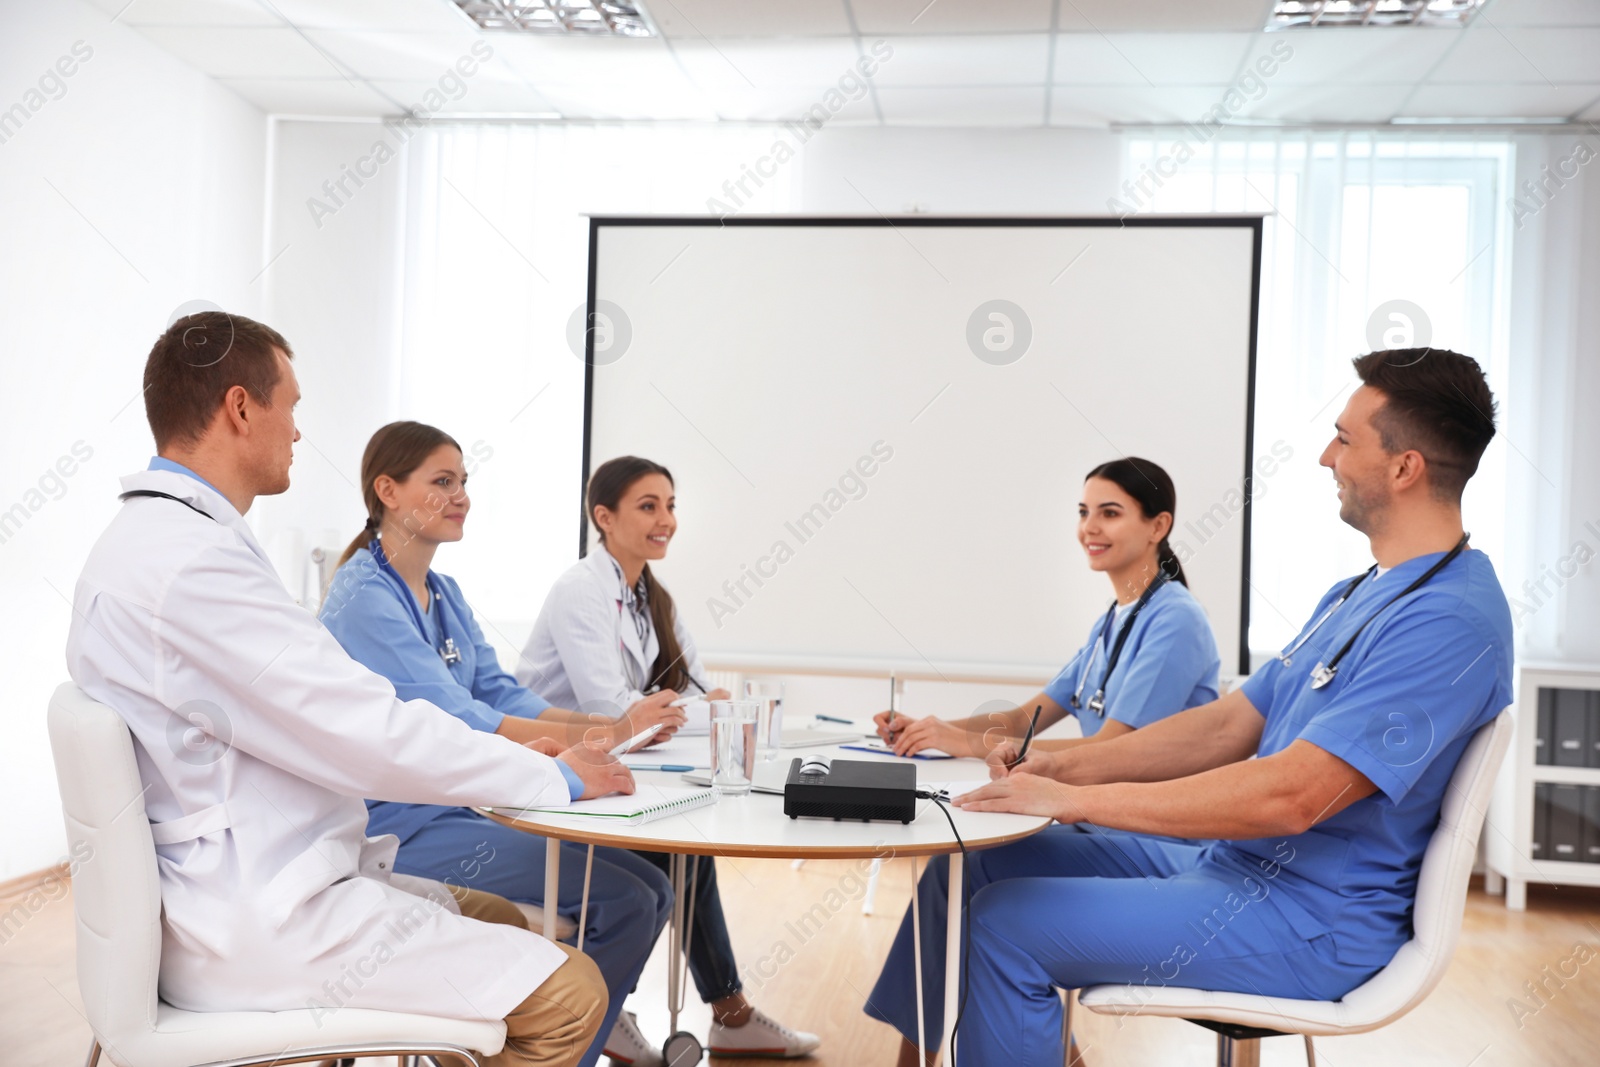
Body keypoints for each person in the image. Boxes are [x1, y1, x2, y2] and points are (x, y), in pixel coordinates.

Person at [65, 312, 615, 1067]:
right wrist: (551, 775)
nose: (297, 431)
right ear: (240, 407)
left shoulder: (150, 541)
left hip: (239, 883)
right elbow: (365, 729)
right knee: (574, 995)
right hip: (262, 915)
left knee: (504, 922)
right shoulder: (194, 564)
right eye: (291, 406)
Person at [946, 349, 1512, 1067]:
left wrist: (1074, 799)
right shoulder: (1355, 592)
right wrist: (1055, 767)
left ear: (1405, 468)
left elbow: (1294, 794)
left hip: (1310, 920)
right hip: (1232, 868)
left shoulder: (1448, 621)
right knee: (971, 867)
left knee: (1003, 926)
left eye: (1344, 437)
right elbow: (1226, 725)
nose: (1324, 456)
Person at [319, 420, 687, 1067]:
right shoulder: (363, 597)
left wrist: (610, 729)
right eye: (442, 481)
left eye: (464, 481)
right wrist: (616, 729)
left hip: (465, 803)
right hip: (404, 821)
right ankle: (547, 1046)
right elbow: (458, 716)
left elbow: (500, 693)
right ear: (388, 489)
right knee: (629, 897)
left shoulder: (445, 592)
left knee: (654, 885)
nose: (461, 495)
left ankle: (547, 1042)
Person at [863, 457, 1221, 1064]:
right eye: (1084, 513)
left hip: (1157, 839)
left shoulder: (1175, 620)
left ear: (1158, 526)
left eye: (1110, 513)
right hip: (1097, 825)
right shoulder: (1113, 621)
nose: (1090, 527)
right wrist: (939, 729)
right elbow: (1031, 717)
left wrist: (965, 744)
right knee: (953, 872)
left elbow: (1110, 751)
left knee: (973, 887)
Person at [519, 456, 822, 1061]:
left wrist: (690, 707)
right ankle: (639, 1012)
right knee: (678, 858)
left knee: (687, 855)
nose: (666, 520)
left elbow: (692, 691)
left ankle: (708, 1014)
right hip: (561, 783)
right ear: (603, 517)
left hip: (622, 770)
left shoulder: (649, 594)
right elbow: (613, 707)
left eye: (671, 505)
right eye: (648, 506)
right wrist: (675, 710)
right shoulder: (582, 589)